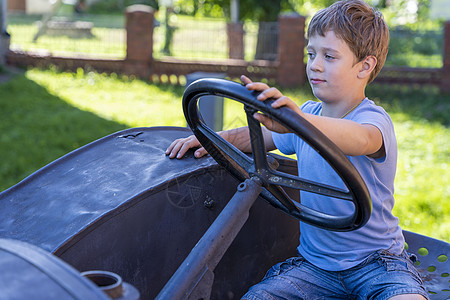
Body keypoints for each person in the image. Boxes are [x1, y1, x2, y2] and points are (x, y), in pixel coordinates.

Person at [166, 0, 428, 298]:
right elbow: (259, 138)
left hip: (378, 264)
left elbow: (360, 139)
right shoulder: (305, 116)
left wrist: (297, 121)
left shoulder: (371, 120)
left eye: (330, 56)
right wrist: (211, 138)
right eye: (312, 53)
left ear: (364, 66)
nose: (315, 64)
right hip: (316, 268)